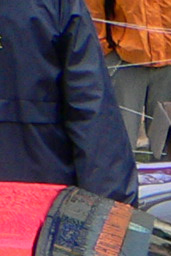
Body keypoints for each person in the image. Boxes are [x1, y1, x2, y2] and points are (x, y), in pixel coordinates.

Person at [0, 0, 138, 204]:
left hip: (39, 191)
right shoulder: (56, 5)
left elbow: (92, 109)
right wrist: (111, 215)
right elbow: (93, 112)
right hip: (39, 197)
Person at [86, 0, 171, 150]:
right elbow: (93, 9)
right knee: (119, 138)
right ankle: (122, 173)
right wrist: (105, 48)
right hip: (123, 58)